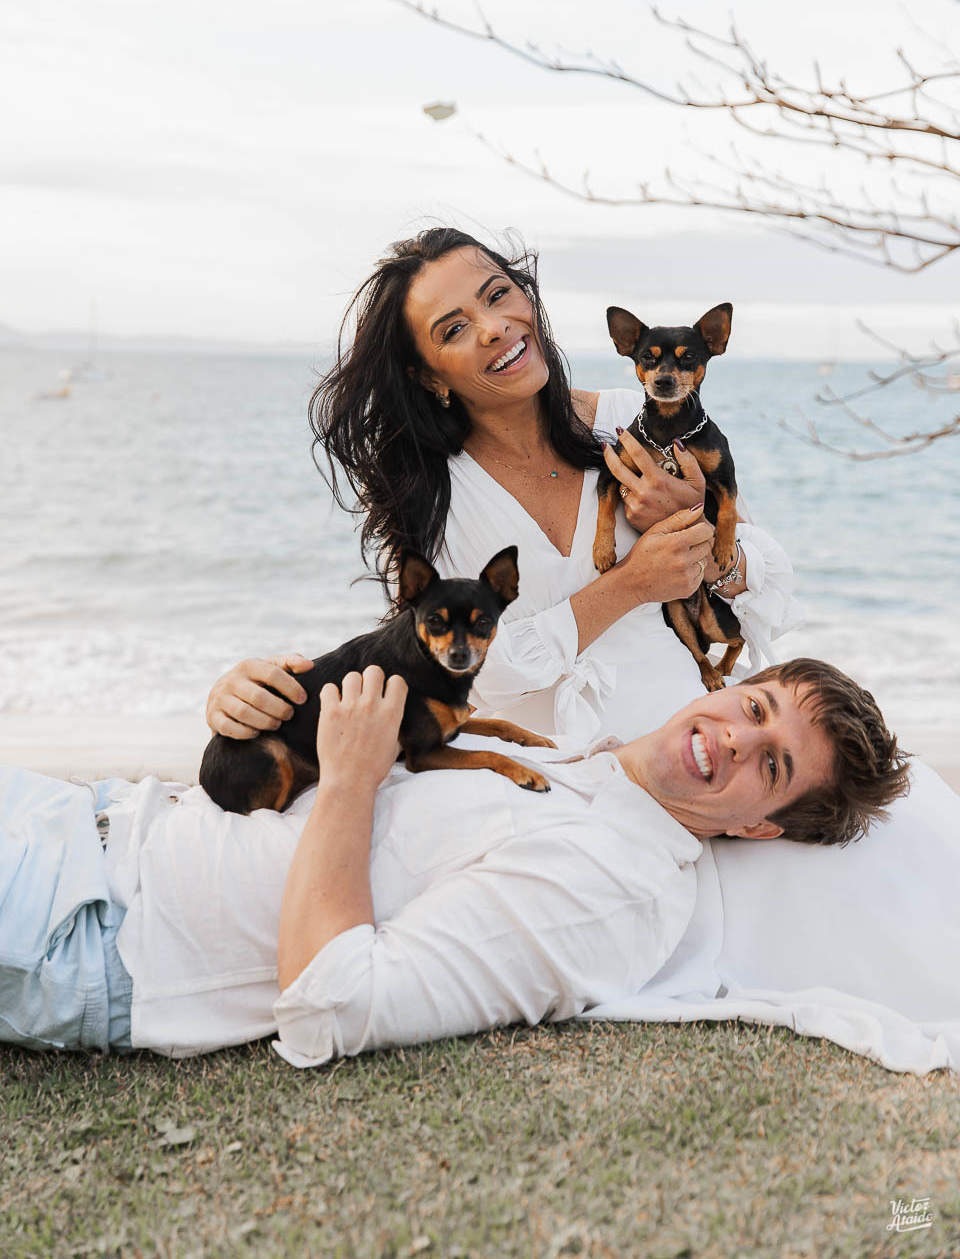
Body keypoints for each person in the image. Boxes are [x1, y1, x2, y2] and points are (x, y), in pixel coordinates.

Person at [0, 658, 909, 1065]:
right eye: (756, 707)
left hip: (94, 929)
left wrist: (354, 778)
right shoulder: (566, 754)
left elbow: (335, 1007)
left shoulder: (614, 888)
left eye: (775, 765)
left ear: (761, 828)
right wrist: (248, 700)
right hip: (93, 817)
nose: (736, 739)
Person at [206, 229, 800, 747]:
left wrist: (699, 529)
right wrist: (255, 691)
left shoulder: (636, 420)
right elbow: (468, 665)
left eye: (498, 295)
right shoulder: (434, 492)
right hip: (529, 778)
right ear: (426, 373)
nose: (494, 328)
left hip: (690, 750)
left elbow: (771, 593)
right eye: (456, 328)